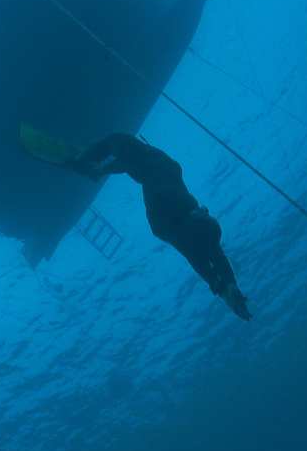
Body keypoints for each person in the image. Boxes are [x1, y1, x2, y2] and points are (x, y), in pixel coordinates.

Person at [67, 133, 250, 320]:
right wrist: (101, 168)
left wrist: (100, 168)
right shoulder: (158, 166)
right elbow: (128, 162)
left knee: (198, 253)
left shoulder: (148, 161)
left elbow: (127, 161)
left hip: (174, 211)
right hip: (181, 219)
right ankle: (227, 289)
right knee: (206, 251)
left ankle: (87, 157)